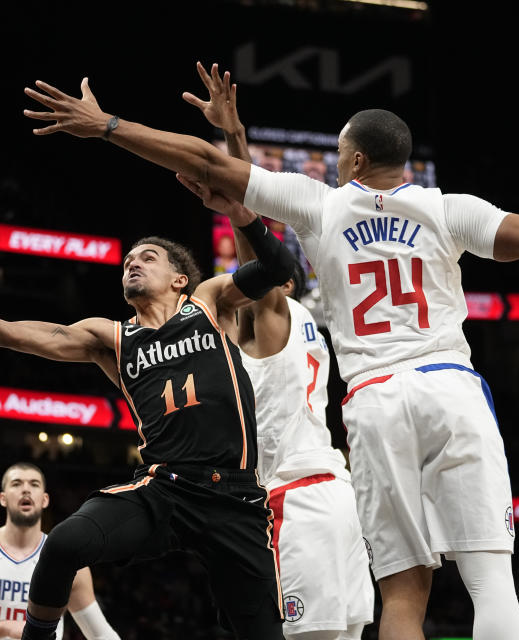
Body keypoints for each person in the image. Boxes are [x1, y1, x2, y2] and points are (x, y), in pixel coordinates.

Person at [21, 69, 519, 640]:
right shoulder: (450, 207)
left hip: (371, 402)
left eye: (337, 156)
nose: (333, 165)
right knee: (491, 578)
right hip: (448, 385)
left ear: (356, 159)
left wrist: (108, 126)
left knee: (404, 592)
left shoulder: (323, 207)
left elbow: (209, 166)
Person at [0, 202, 299, 637]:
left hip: (234, 497)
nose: (133, 263)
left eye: (147, 258)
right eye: (127, 262)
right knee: (63, 543)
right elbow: (8, 332)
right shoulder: (112, 338)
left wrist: (241, 212)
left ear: (179, 279)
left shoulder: (209, 303)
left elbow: (279, 264)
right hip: (164, 488)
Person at [182, 61, 374, 640]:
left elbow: (258, 245)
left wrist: (235, 162)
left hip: (294, 503)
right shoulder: (316, 326)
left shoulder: (275, 313)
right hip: (337, 501)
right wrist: (236, 138)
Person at [0, 463, 120, 640]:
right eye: (16, 484)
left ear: (45, 499)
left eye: (34, 484)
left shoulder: (67, 558)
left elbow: (100, 634)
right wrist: (6, 627)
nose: (26, 489)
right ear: (3, 498)